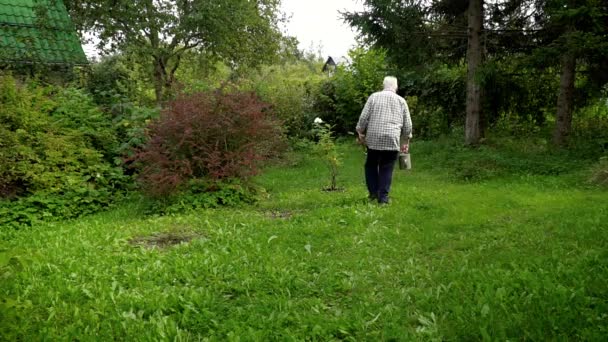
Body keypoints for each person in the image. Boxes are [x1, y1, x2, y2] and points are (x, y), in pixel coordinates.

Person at [356, 76, 412, 204]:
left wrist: (360, 131)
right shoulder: (401, 101)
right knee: (386, 167)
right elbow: (408, 126)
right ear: (396, 87)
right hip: (392, 139)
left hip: (374, 139)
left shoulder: (374, 97)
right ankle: (383, 198)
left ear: (383, 85)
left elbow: (364, 117)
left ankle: (373, 193)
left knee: (370, 165)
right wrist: (405, 141)